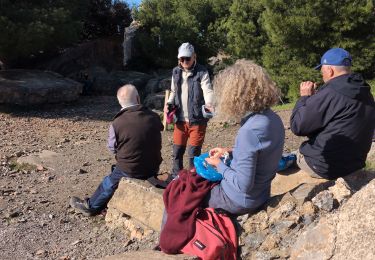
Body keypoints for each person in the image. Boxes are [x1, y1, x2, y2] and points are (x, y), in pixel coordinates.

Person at [203, 59, 285, 215]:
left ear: (235, 96)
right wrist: (231, 150)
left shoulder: (249, 131)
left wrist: (218, 164)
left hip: (238, 200)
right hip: (261, 194)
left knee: (183, 194)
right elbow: (260, 153)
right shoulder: (273, 119)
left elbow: (243, 185)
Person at [70, 84, 163, 216]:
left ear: (120, 102)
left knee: (110, 182)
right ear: (138, 98)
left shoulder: (117, 122)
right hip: (153, 166)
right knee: (121, 167)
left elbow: (111, 147)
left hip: (130, 168)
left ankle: (91, 206)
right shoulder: (154, 116)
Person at [290, 48, 375, 180]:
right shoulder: (365, 90)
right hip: (355, 164)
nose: (322, 74)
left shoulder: (331, 92)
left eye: (322, 70)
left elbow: (297, 126)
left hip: (325, 166)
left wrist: (305, 98)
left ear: (330, 70)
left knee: (293, 155)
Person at [165, 42, 214, 178]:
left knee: (193, 154)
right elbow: (174, 91)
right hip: (180, 120)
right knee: (177, 151)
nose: (184, 61)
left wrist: (209, 103)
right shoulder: (176, 71)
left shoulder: (202, 71)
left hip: (197, 120)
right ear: (178, 59)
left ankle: (192, 179)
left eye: (187, 58)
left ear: (194, 57)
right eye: (182, 59)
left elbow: (207, 89)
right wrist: (169, 103)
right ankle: (176, 177)